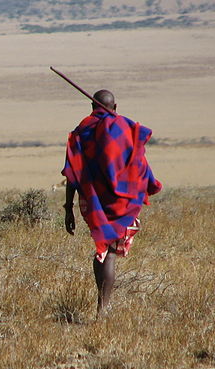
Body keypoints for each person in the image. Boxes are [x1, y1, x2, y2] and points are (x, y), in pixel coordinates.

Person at [62, 89, 162, 318]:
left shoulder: (82, 131)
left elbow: (73, 172)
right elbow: (139, 162)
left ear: (91, 107)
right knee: (110, 253)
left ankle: (102, 303)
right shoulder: (124, 130)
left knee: (103, 249)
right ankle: (103, 308)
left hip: (93, 201)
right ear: (115, 107)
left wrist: (69, 207)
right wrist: (148, 184)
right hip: (123, 201)